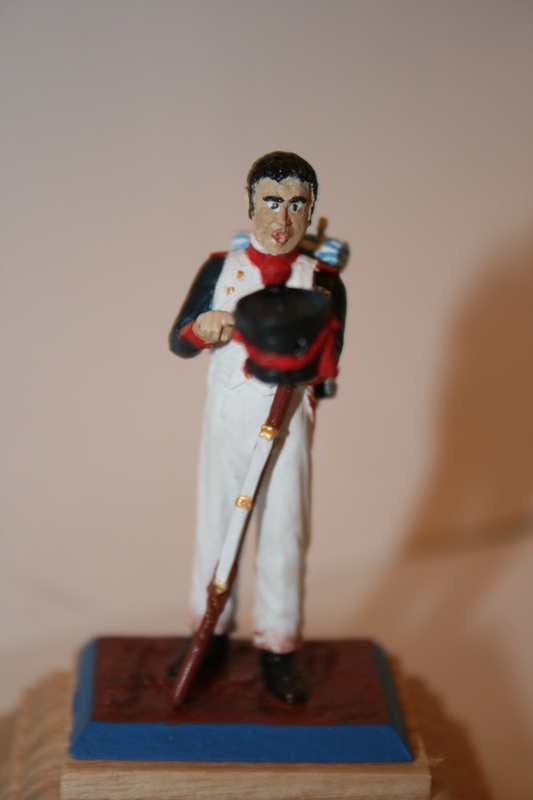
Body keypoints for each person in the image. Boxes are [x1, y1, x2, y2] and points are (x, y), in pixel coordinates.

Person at [169, 152, 346, 703]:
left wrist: (305, 364)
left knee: (283, 531)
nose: (283, 218)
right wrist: (203, 328)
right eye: (271, 202)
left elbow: (330, 366)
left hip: (286, 425)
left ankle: (277, 643)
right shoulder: (219, 269)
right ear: (250, 204)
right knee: (215, 523)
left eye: (296, 205)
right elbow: (179, 340)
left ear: (310, 211)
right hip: (229, 418)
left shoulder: (322, 282)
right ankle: (211, 632)